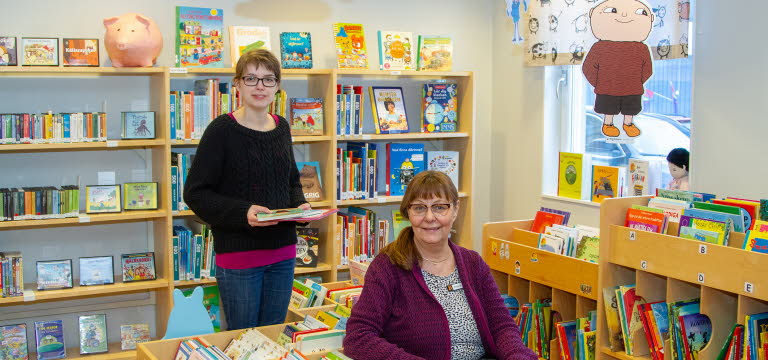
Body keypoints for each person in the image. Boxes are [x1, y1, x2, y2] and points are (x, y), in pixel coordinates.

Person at [343, 171, 537, 360]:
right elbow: (358, 337)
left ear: (455, 210)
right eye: (419, 208)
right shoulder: (387, 266)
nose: (429, 217)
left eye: (439, 207)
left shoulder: (473, 263)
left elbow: (501, 326)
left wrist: (518, 356)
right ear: (408, 213)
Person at [183, 49, 309, 330]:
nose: (260, 86)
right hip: (240, 256)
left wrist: (300, 206)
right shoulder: (221, 130)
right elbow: (195, 193)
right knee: (243, 340)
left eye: (268, 79)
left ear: (278, 86)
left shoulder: (282, 127)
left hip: (284, 253)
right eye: (251, 78)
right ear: (237, 84)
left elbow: (291, 180)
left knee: (273, 334)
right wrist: (244, 212)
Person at [582, 0, 654, 138]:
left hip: (632, 88)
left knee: (630, 107)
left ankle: (628, 123)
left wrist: (635, 81)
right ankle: (608, 123)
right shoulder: (600, 47)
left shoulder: (641, 48)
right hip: (608, 88)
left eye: (640, 12)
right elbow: (588, 68)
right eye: (612, 10)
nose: (625, 16)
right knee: (608, 107)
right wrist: (600, 83)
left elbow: (647, 69)